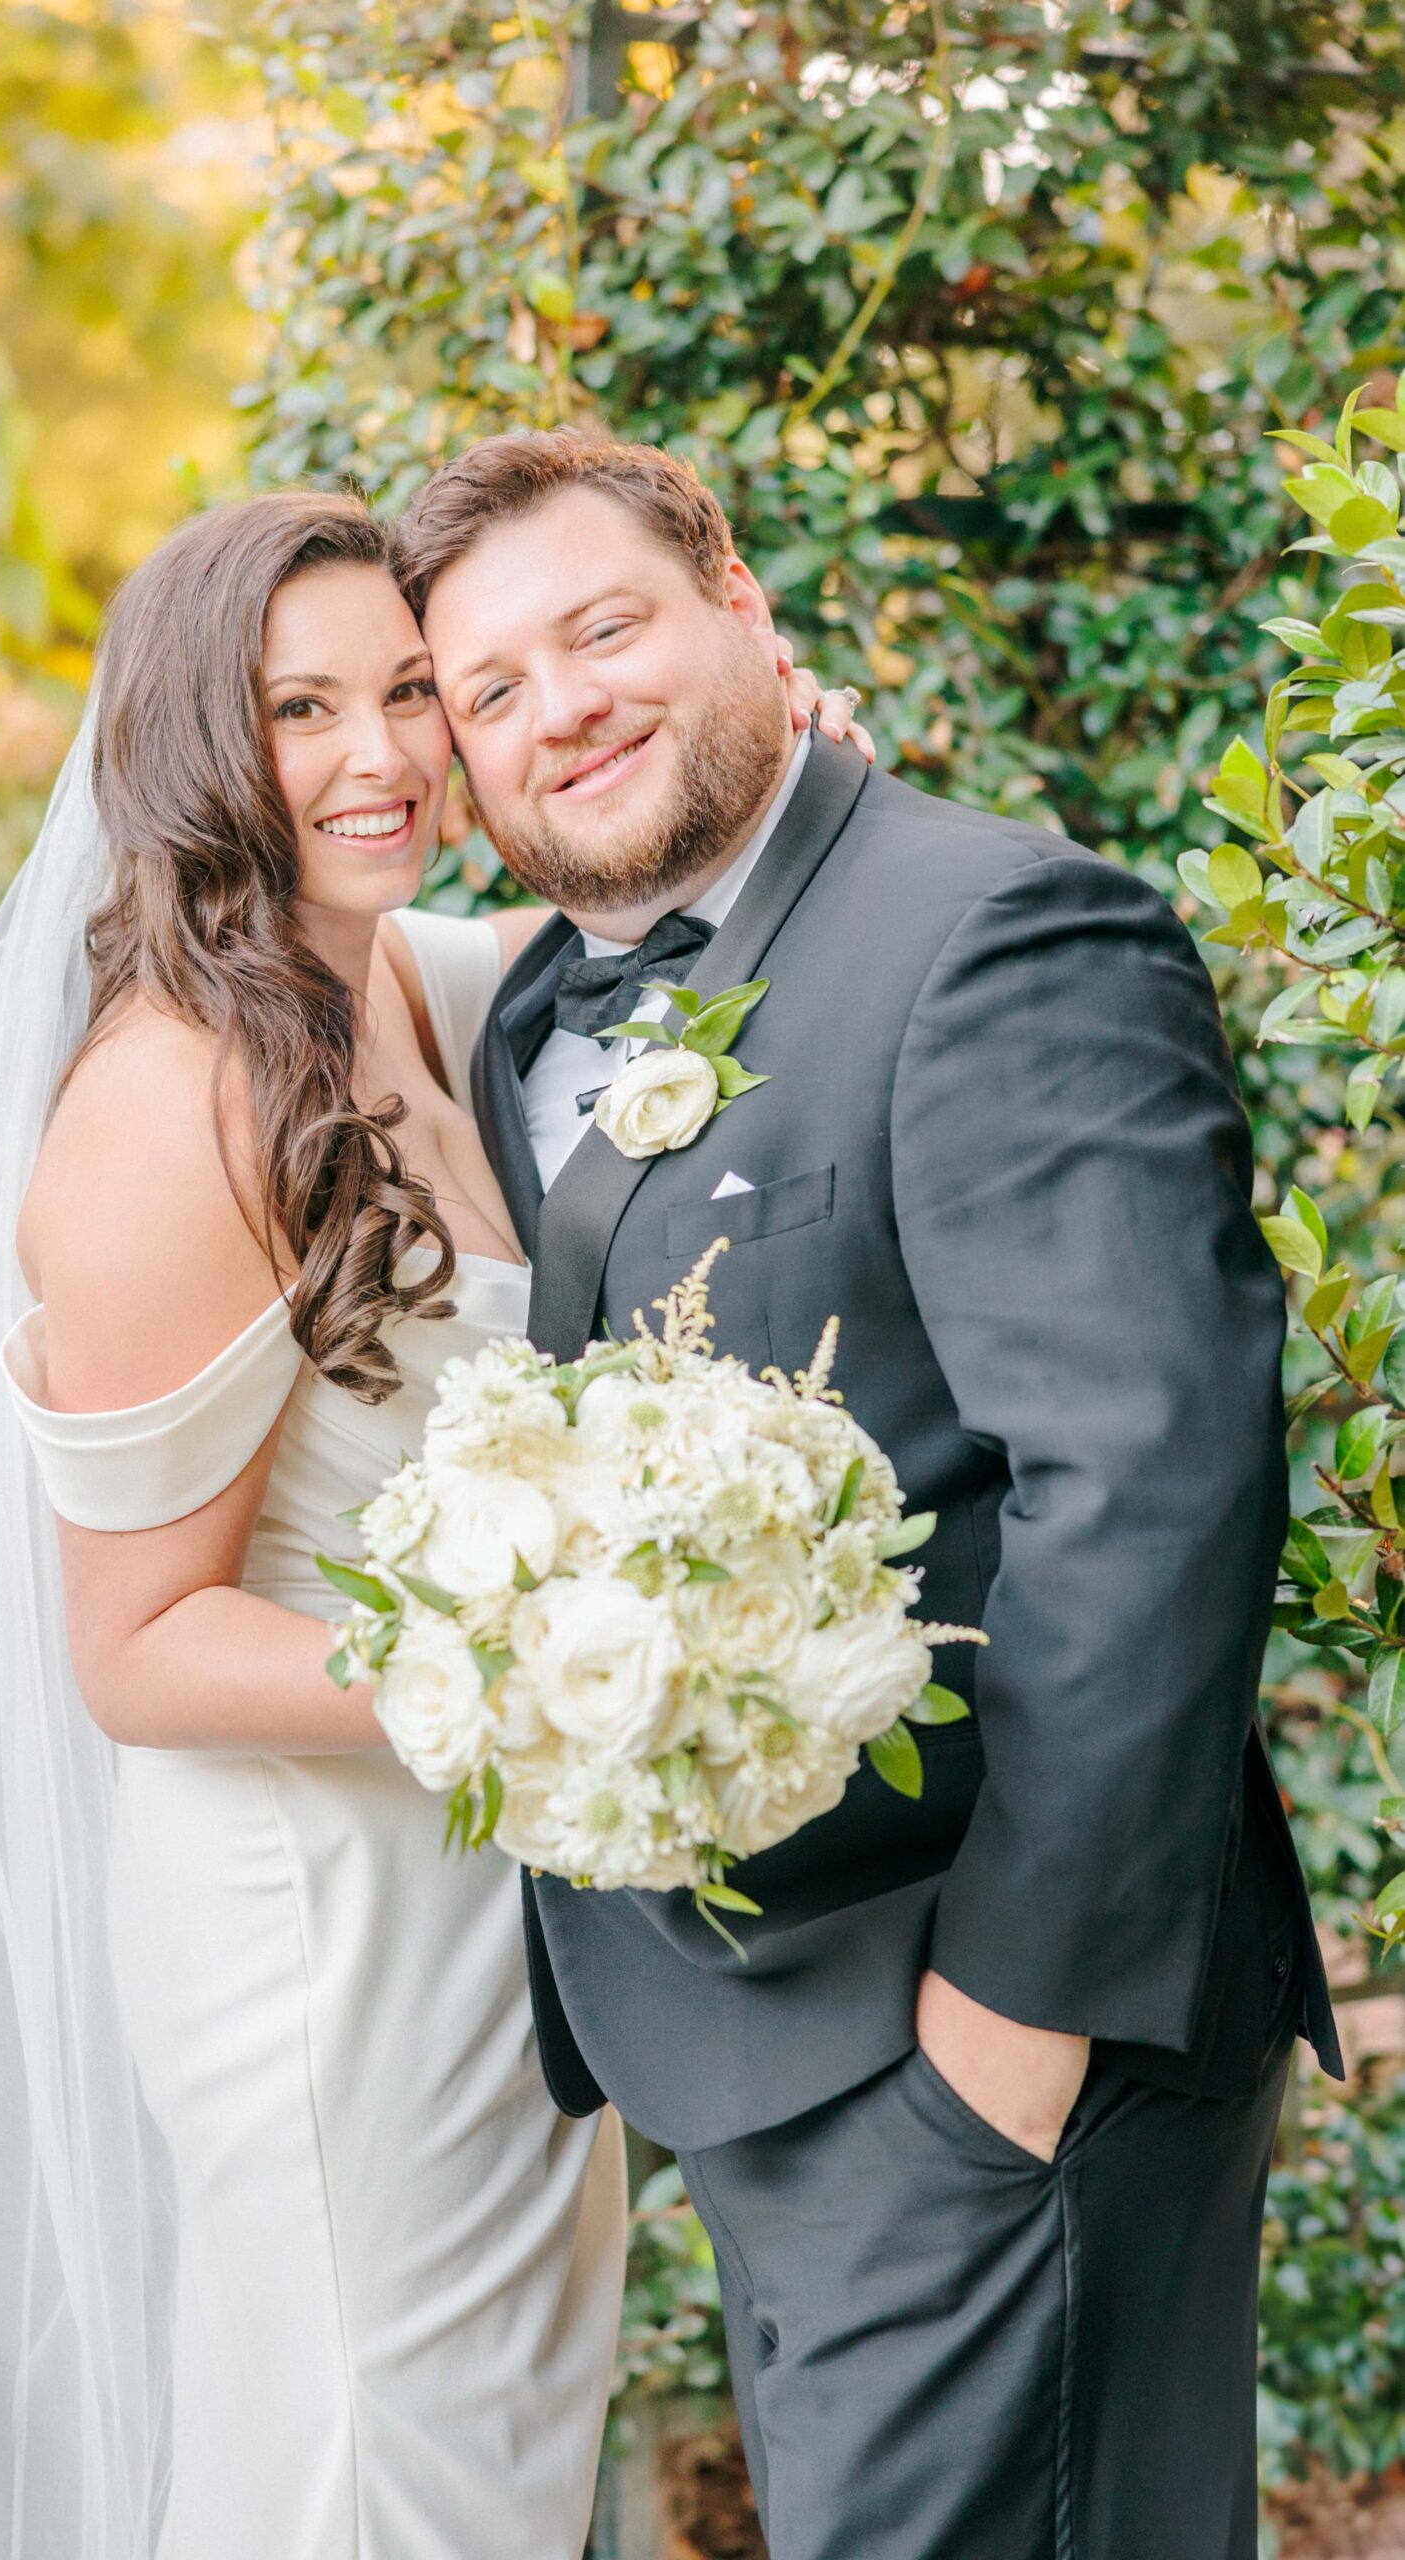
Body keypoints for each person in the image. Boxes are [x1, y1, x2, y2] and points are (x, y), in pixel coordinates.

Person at [0, 478, 865, 2558]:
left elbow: (636, 897)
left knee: (486, 2452)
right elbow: (136, 1647)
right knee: (355, 2459)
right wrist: (563, 1676)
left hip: (475, 1863)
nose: (380, 756)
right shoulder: (166, 1107)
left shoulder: (392, 976)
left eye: (411, 693)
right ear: (186, 749)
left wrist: (785, 745)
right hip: (314, 1925)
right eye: (298, 707)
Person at [391, 427, 1345, 2560]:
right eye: (493, 688)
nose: (564, 706)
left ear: (740, 604)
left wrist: (1005, 2033)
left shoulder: (991, 928)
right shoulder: (530, 1011)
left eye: (605, 626)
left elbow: (1146, 1476)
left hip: (990, 2024)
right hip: (777, 2040)